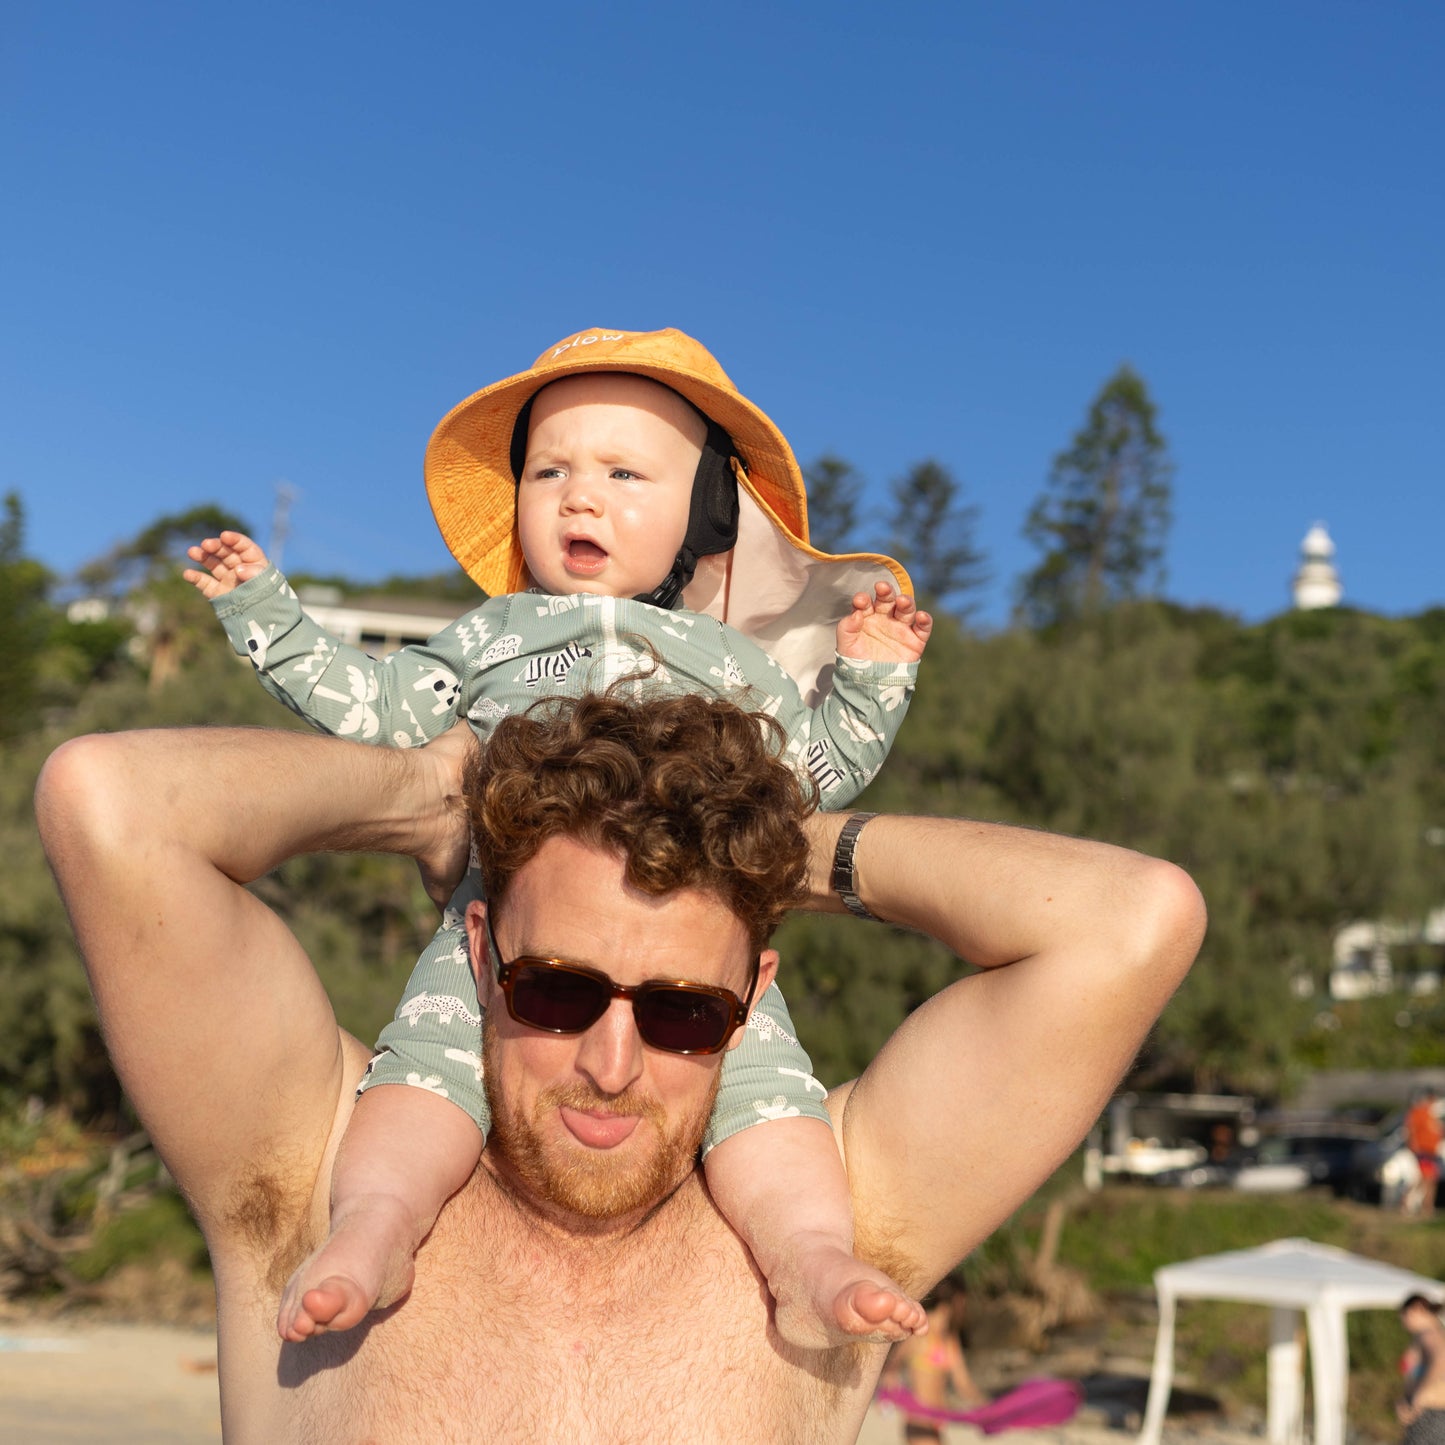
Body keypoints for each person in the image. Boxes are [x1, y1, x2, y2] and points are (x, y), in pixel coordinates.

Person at [36, 690, 1204, 1442]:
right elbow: (112, 805)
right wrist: (424, 799)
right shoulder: (317, 1174)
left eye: (683, 1011)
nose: (609, 1060)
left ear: (752, 999)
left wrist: (780, 848)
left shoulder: (834, 1224)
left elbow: (1131, 920)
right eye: (557, 988)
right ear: (484, 956)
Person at [182, 327, 933, 1348]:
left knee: (769, 1100)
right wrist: (264, 610)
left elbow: (811, 780)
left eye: (624, 471)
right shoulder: (487, 638)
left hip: (692, 959)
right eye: (550, 469)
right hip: (494, 936)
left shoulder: (737, 668)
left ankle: (806, 1257)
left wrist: (874, 675)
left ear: (705, 513)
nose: (580, 495)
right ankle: (376, 1226)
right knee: (420, 1078)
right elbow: (375, 706)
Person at [882, 1276, 985, 1443]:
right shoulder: (921, 1329)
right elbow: (894, 1362)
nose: (964, 1308)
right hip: (919, 1420)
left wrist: (989, 1407)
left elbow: (963, 1383)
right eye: (963, 1302)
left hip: (938, 1420)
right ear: (956, 1299)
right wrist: (891, 1375)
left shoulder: (950, 1338)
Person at [1398, 1294, 1445, 1445]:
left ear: (1417, 1309)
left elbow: (1440, 1361)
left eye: (1405, 1314)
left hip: (1432, 1413)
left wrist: (1418, 1397)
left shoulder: (1429, 1335)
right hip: (1427, 1414)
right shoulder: (1428, 1335)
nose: (1403, 1320)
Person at [1404, 1090, 1442, 1220]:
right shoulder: (1419, 1112)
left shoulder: (1432, 1115)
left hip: (1432, 1151)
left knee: (1429, 1180)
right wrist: (1415, 1147)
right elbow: (1411, 1130)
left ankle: (1426, 1207)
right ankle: (1416, 1206)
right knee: (1425, 1179)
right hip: (1423, 1151)